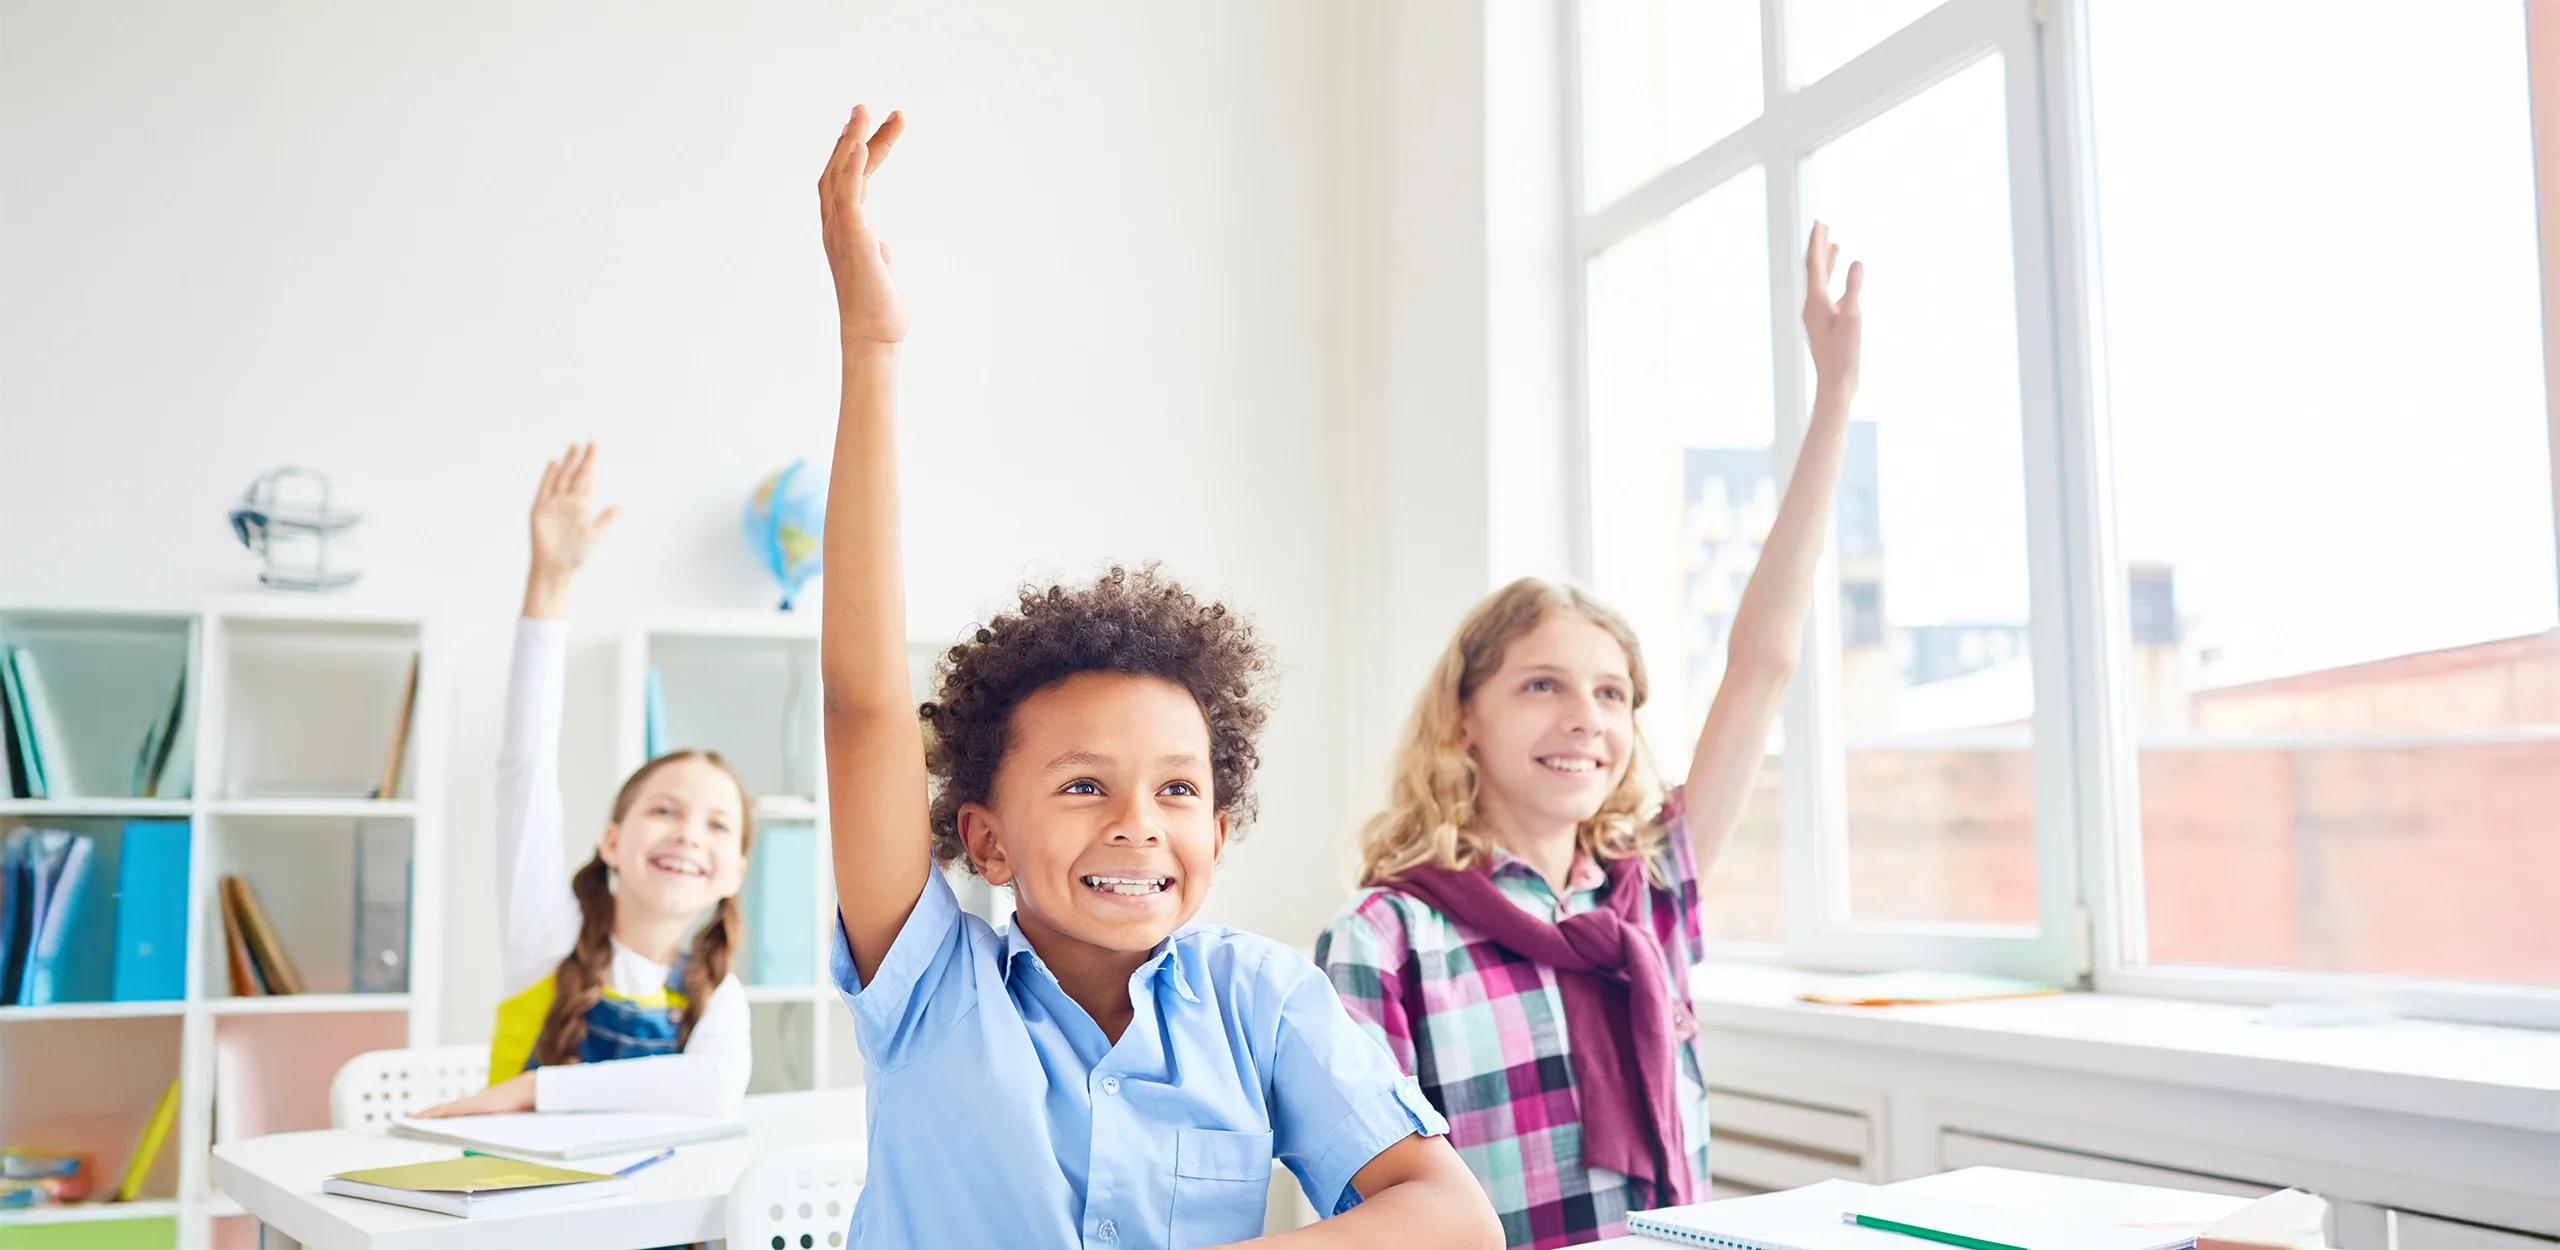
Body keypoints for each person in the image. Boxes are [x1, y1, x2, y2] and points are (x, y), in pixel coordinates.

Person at [812, 104, 1501, 1249]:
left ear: (1218, 832)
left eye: (1177, 790)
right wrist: (872, 354)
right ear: (983, 839)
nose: (1140, 824)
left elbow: (1448, 1219)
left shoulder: (1260, 998)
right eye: (1084, 785)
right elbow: (864, 704)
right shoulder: (927, 983)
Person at [1316, 226, 1866, 1247]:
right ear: (1463, 717)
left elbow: (1764, 659)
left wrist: (1833, 396)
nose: (1586, 718)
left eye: (1613, 694)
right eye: (1541, 684)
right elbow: (1372, 1217)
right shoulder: (1383, 939)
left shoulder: (1649, 888)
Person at [416, 444, 754, 1119]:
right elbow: (526, 766)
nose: (688, 833)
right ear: (610, 840)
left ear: (733, 874)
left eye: (716, 824)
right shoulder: (548, 934)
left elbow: (711, 1088)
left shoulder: (717, 996)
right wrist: (550, 581)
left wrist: (532, 1090)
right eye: (664, 810)